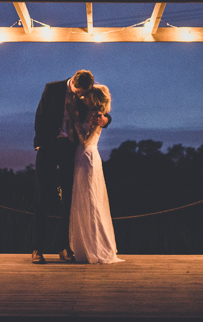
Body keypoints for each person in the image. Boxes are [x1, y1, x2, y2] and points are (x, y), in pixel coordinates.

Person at [32, 69, 109, 264]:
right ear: (73, 81)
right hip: (48, 148)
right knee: (43, 197)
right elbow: (40, 116)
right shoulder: (52, 89)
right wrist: (39, 142)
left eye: (83, 92)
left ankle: (63, 248)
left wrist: (105, 120)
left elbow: (101, 108)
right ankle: (37, 249)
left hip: (69, 151)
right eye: (78, 91)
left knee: (68, 199)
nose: (80, 95)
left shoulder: (86, 94)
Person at [68, 83, 123, 264]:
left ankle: (95, 247)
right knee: (85, 199)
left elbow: (86, 139)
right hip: (83, 156)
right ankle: (86, 246)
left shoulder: (96, 114)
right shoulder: (92, 111)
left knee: (91, 200)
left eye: (89, 95)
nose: (85, 97)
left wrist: (76, 122)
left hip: (87, 156)